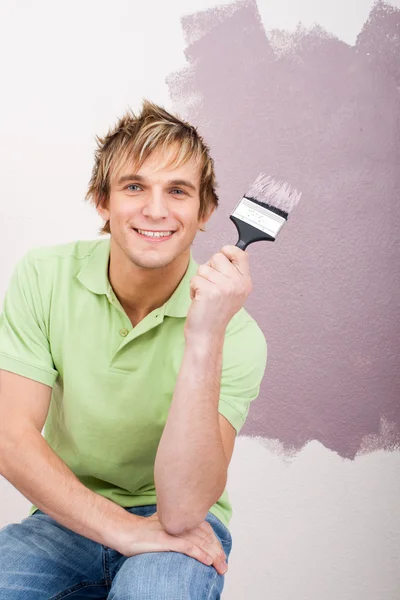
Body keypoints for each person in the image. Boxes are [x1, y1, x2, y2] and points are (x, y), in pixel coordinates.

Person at [0, 100, 267, 599]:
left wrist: (205, 335)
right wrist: (120, 528)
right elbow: (11, 438)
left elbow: (185, 509)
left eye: (178, 191)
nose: (156, 209)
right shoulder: (43, 277)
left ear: (205, 212)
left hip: (177, 528)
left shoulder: (238, 335)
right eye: (134, 186)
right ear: (102, 201)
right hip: (67, 512)